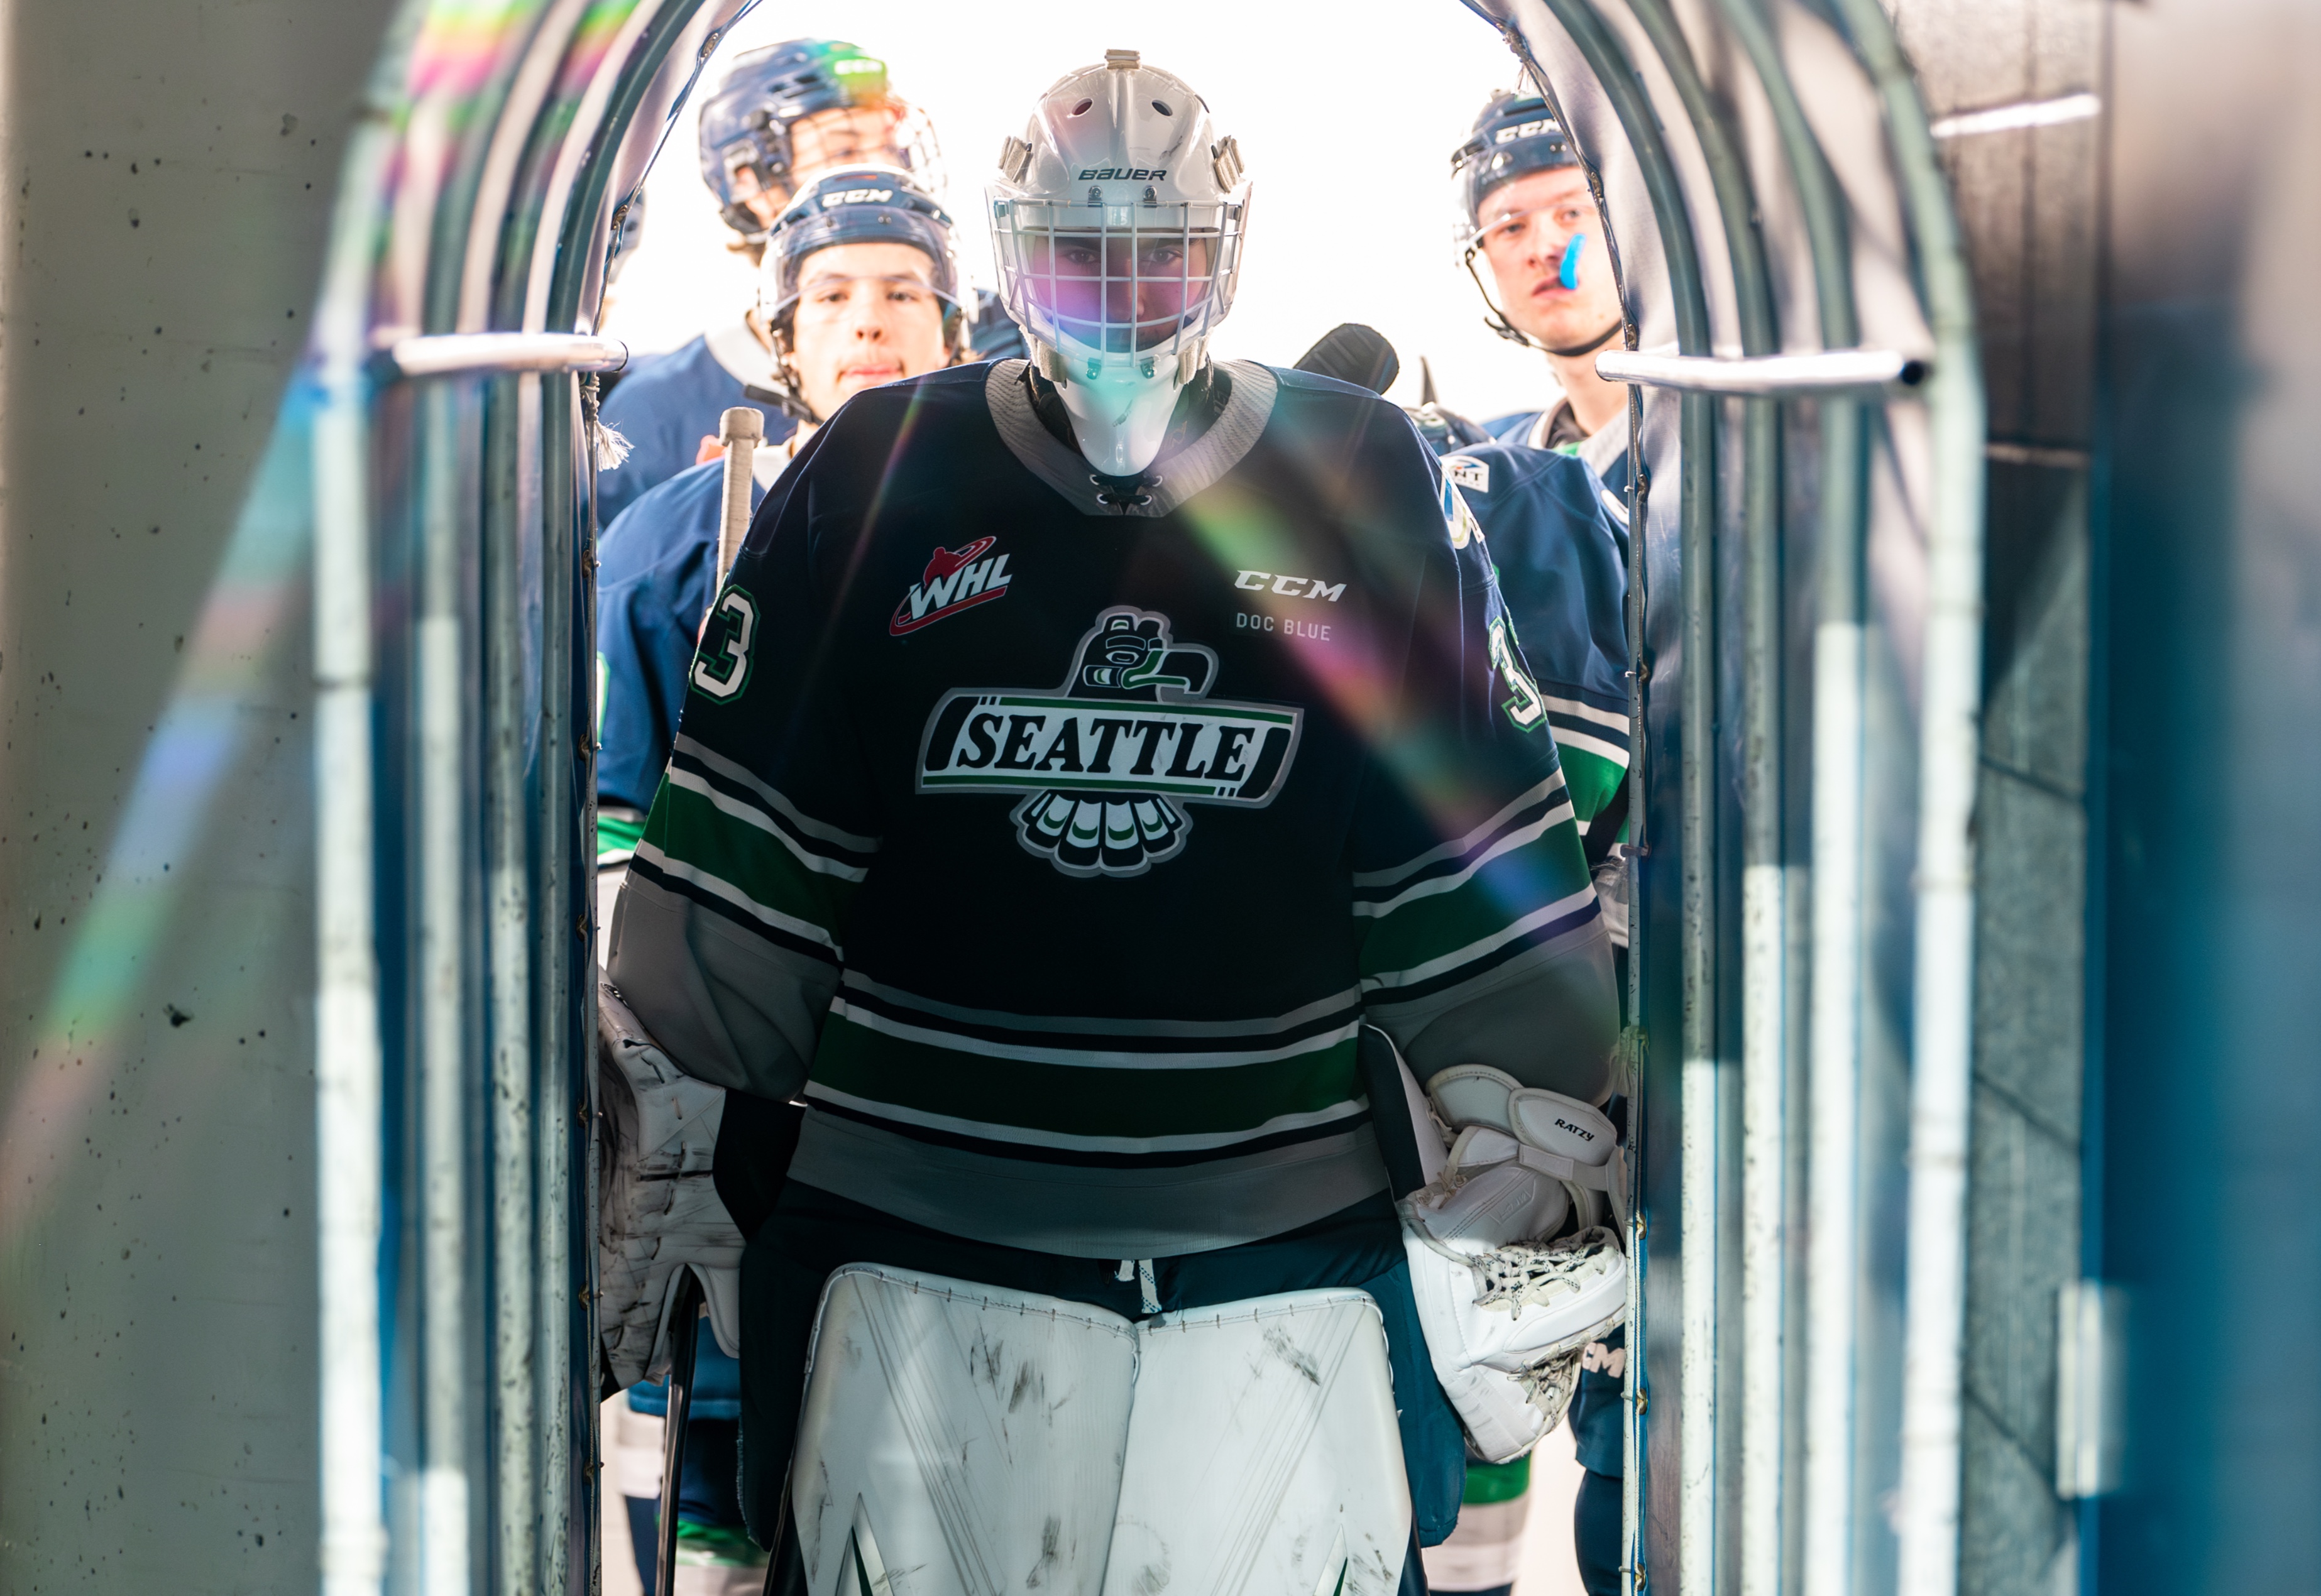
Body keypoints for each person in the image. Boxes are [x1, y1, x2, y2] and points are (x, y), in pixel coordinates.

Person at [603, 50, 1619, 1583]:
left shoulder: (1358, 468)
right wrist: (674, 1121)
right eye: (1083, 253)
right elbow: (745, 880)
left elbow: (1461, 854)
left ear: (1226, 253)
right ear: (1014, 254)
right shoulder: (877, 469)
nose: (1120, 294)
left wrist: (1520, 1126)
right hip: (914, 1225)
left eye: (1157, 254)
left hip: (1279, 1250)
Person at [593, 166, 970, 1593]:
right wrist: (670, 1077)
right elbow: (623, 815)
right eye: (832, 295)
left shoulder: (1059, 524)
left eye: (899, 294)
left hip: (956, 1072)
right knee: (734, 1432)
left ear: (954, 327)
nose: (867, 323)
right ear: (781, 328)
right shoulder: (674, 542)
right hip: (756, 1082)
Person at [1418, 91, 1638, 1596]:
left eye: (1569, 208)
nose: (1544, 248)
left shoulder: (1758, 437)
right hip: (1559, 1037)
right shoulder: (1493, 473)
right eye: (1509, 227)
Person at [598, 39, 1021, 525]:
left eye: (890, 144)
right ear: (748, 183)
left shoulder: (1012, 337)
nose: (883, 166)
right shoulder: (657, 411)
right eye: (843, 147)